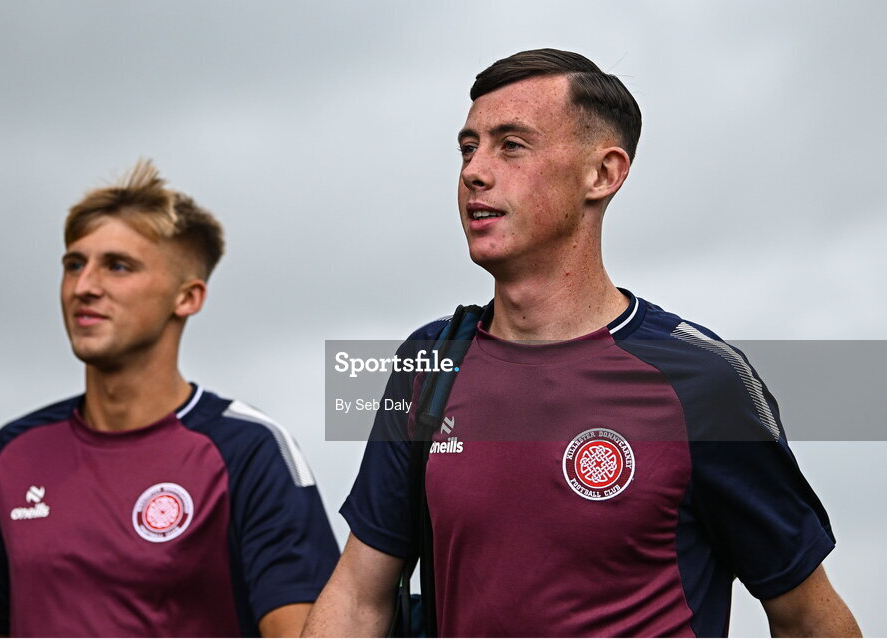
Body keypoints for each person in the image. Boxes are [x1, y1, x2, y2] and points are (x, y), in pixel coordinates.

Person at [303, 49, 861, 637]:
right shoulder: (428, 364)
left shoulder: (704, 381)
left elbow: (805, 615)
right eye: (469, 148)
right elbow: (359, 599)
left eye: (511, 145)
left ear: (604, 173)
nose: (474, 171)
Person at [0, 160, 338, 637]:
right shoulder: (15, 449)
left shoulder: (250, 450)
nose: (84, 286)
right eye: (74, 264)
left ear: (188, 298)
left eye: (117, 266)